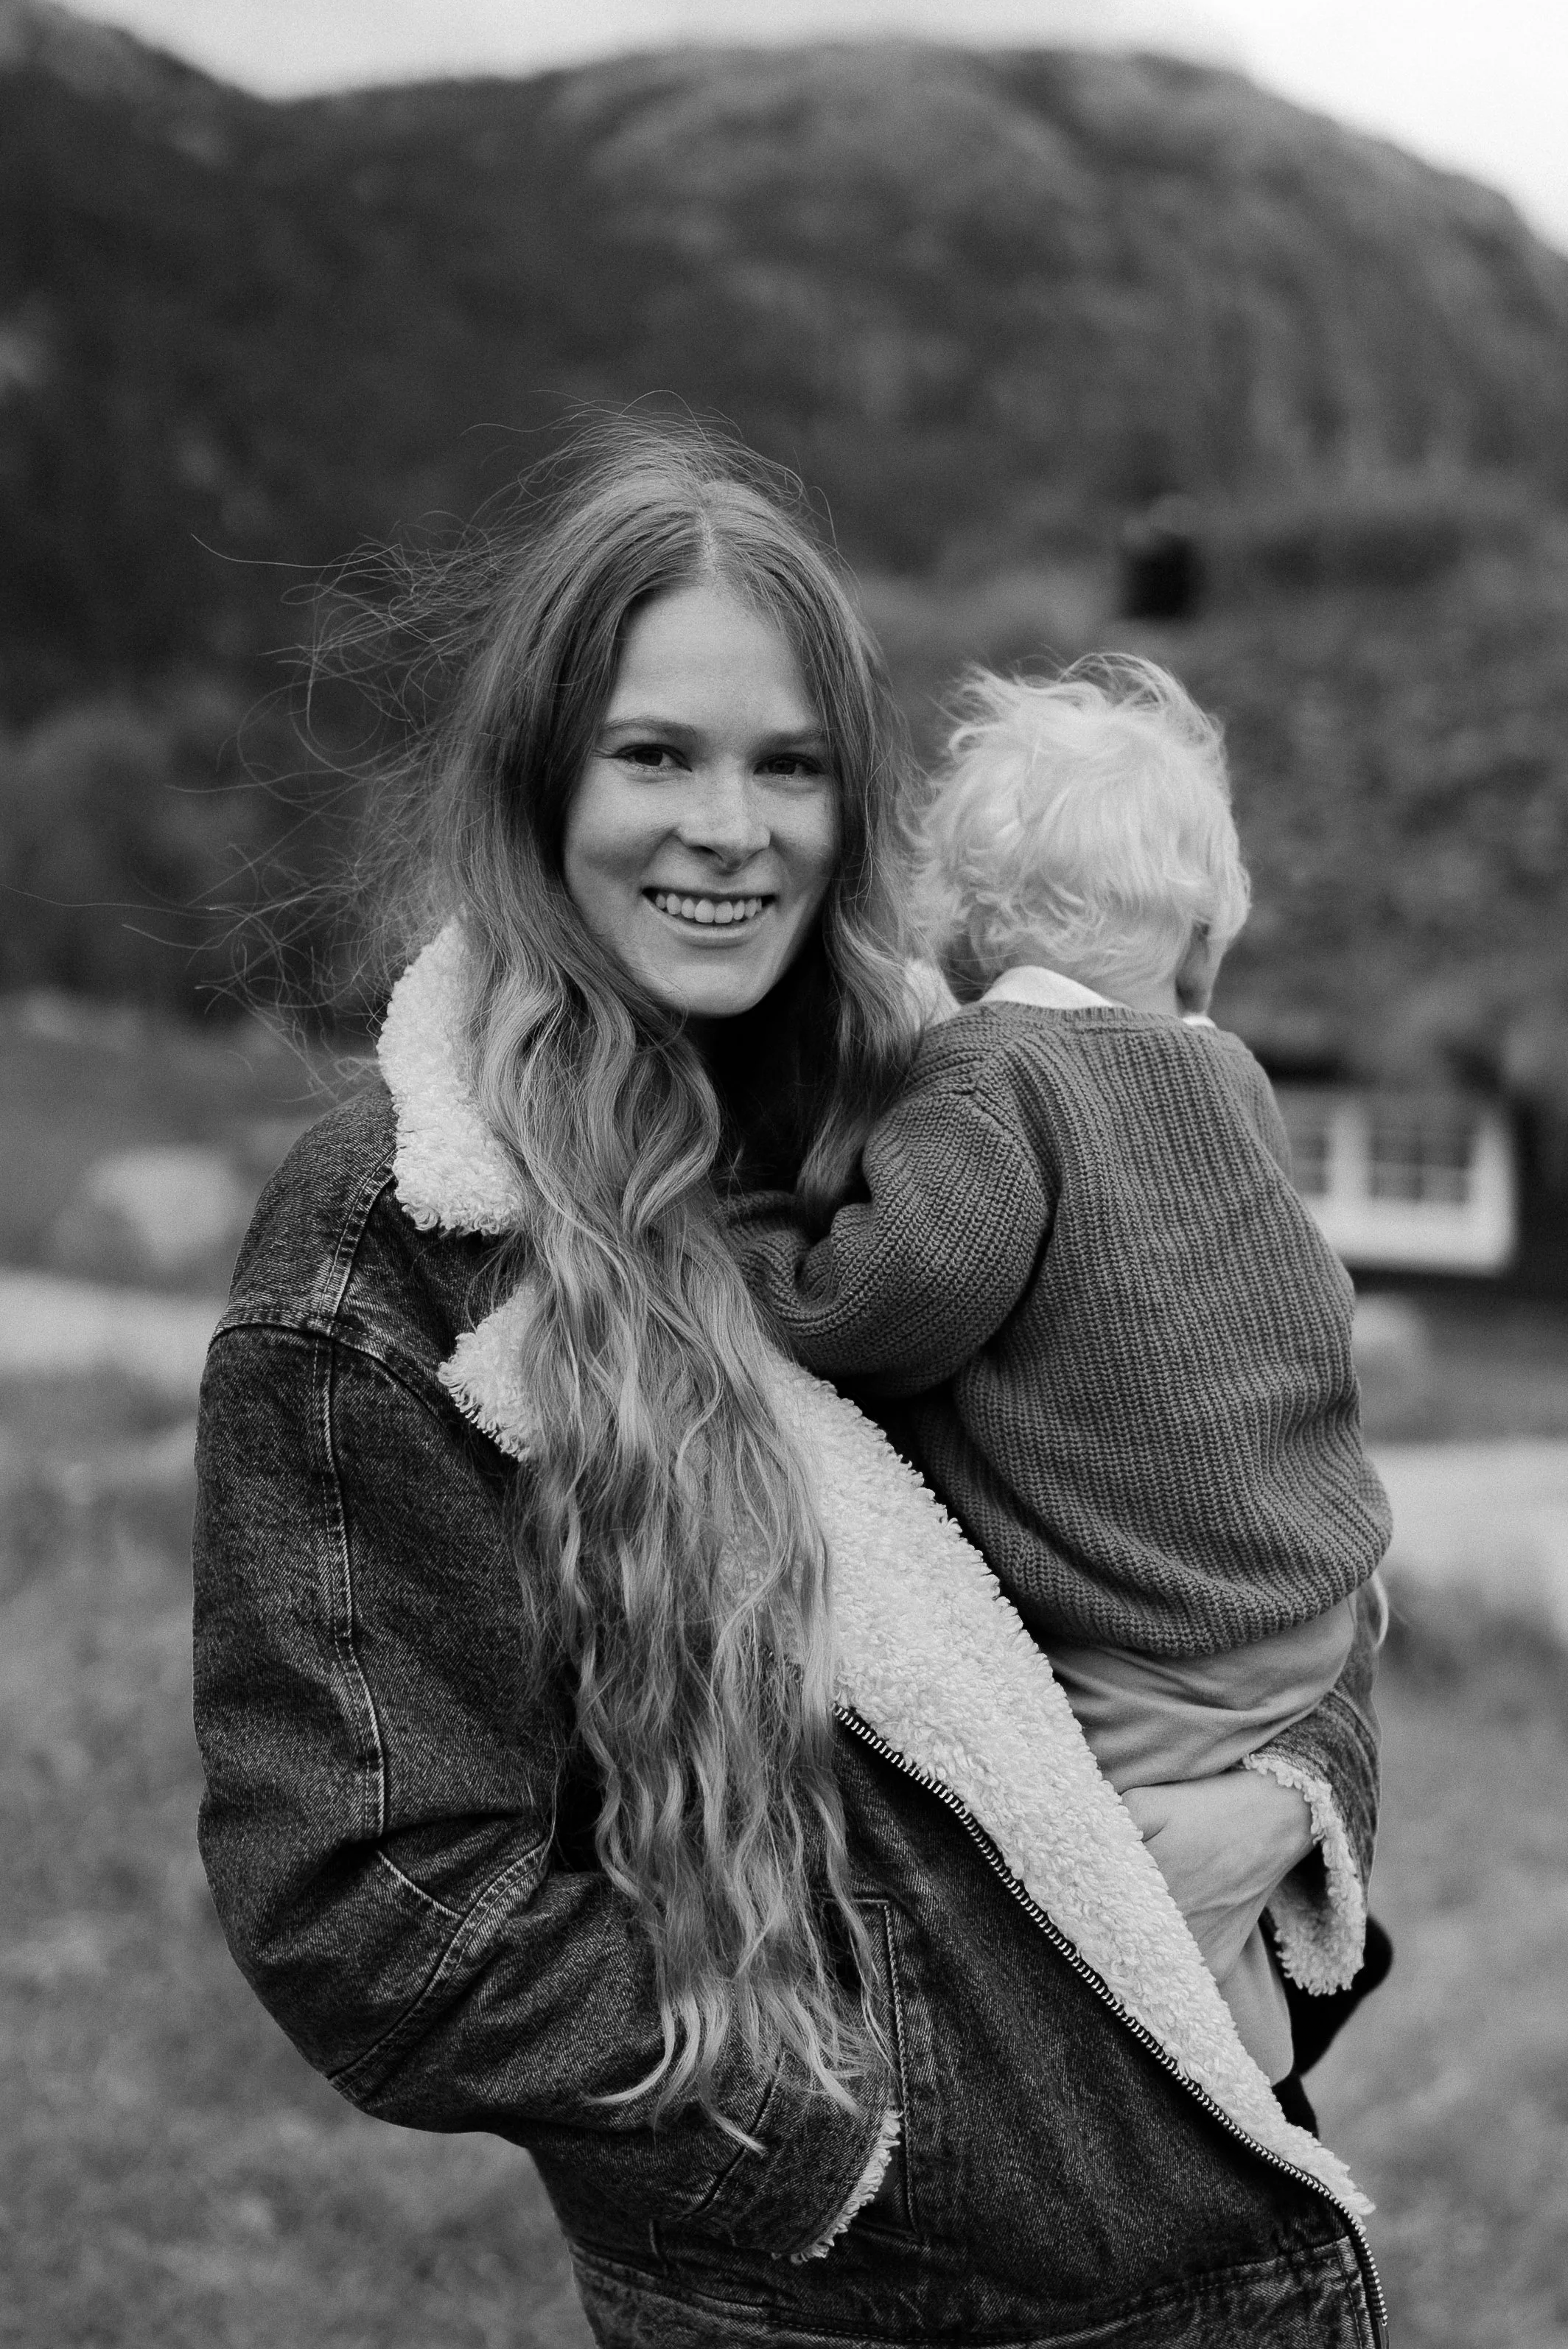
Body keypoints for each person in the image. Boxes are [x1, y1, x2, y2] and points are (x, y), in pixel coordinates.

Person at [192, 427, 1389, 2345]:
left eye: (789, 765)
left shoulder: (970, 1106)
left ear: (857, 809)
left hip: (1229, 2253)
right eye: (654, 754)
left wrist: (1286, 1798)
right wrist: (856, 2108)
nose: (727, 826)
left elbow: (1263, 1512)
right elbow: (374, 1906)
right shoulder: (399, 1238)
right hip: (843, 2306)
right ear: (535, 779)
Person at [731, 658, 1393, 2091]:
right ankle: (1253, 2084)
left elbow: (891, 1306)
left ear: (964, 932)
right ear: (1202, 939)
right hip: (1299, 1609)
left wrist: (754, 1249)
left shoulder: (992, 1078)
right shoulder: (1232, 1080)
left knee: (1089, 1926)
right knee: (1193, 1915)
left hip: (1149, 1641)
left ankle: (1213, 2108)